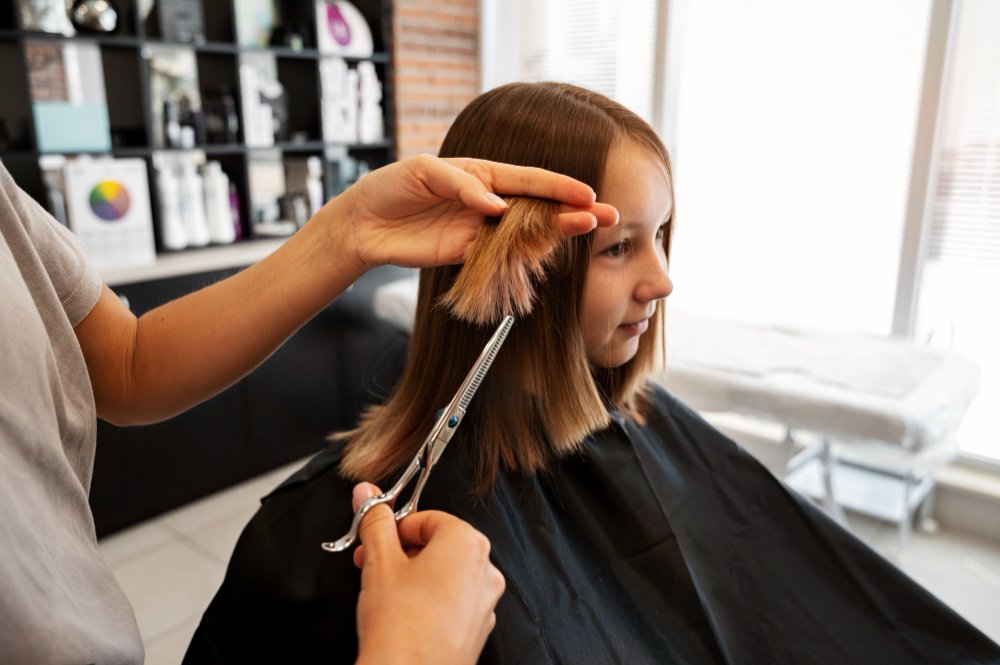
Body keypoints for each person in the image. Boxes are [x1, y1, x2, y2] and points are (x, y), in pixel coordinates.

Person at [185, 83, 1000, 664]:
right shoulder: (321, 547)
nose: (663, 279)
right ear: (514, 271)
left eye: (661, 235)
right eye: (618, 246)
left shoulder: (645, 419)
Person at [0, 153, 619, 665]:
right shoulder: (290, 545)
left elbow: (127, 362)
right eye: (618, 250)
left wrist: (351, 226)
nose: (663, 283)